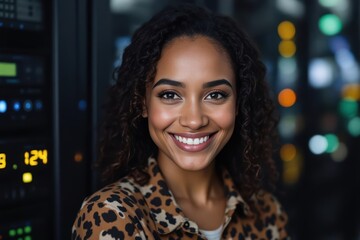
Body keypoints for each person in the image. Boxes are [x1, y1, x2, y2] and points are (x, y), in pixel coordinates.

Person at [72, 4, 289, 240]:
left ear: (238, 104)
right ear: (142, 103)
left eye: (215, 95)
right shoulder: (115, 214)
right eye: (170, 95)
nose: (194, 120)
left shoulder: (265, 211)